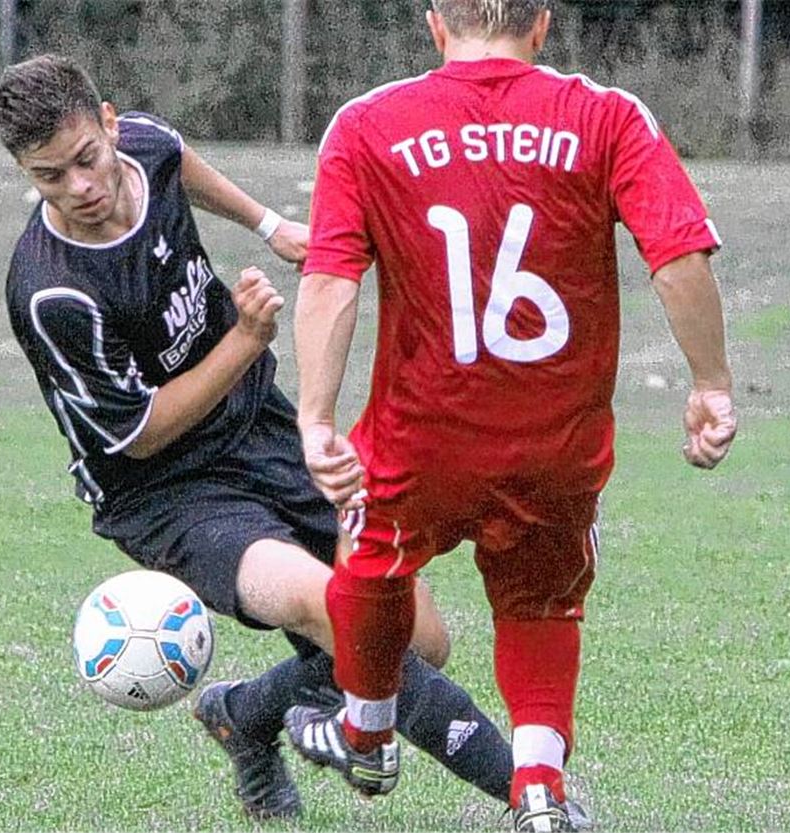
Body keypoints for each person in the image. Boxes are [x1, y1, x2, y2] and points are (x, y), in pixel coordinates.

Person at [0, 53, 521, 824]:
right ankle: (531, 796)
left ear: (109, 124)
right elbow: (136, 436)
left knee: (420, 641)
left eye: (86, 157)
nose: (81, 186)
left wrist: (270, 225)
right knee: (335, 610)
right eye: (50, 176)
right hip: (167, 491)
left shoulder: (142, 143)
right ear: (24, 172)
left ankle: (246, 713)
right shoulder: (52, 291)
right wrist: (242, 338)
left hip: (255, 425)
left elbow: (177, 159)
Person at [286, 1, 737, 830]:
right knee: (542, 603)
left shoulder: (366, 126)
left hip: (422, 439)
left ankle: (366, 729)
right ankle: (538, 787)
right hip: (553, 443)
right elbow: (677, 253)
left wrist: (315, 414)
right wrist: (710, 382)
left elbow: (330, 280)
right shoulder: (605, 117)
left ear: (433, 24)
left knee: (373, 558)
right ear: (542, 25)